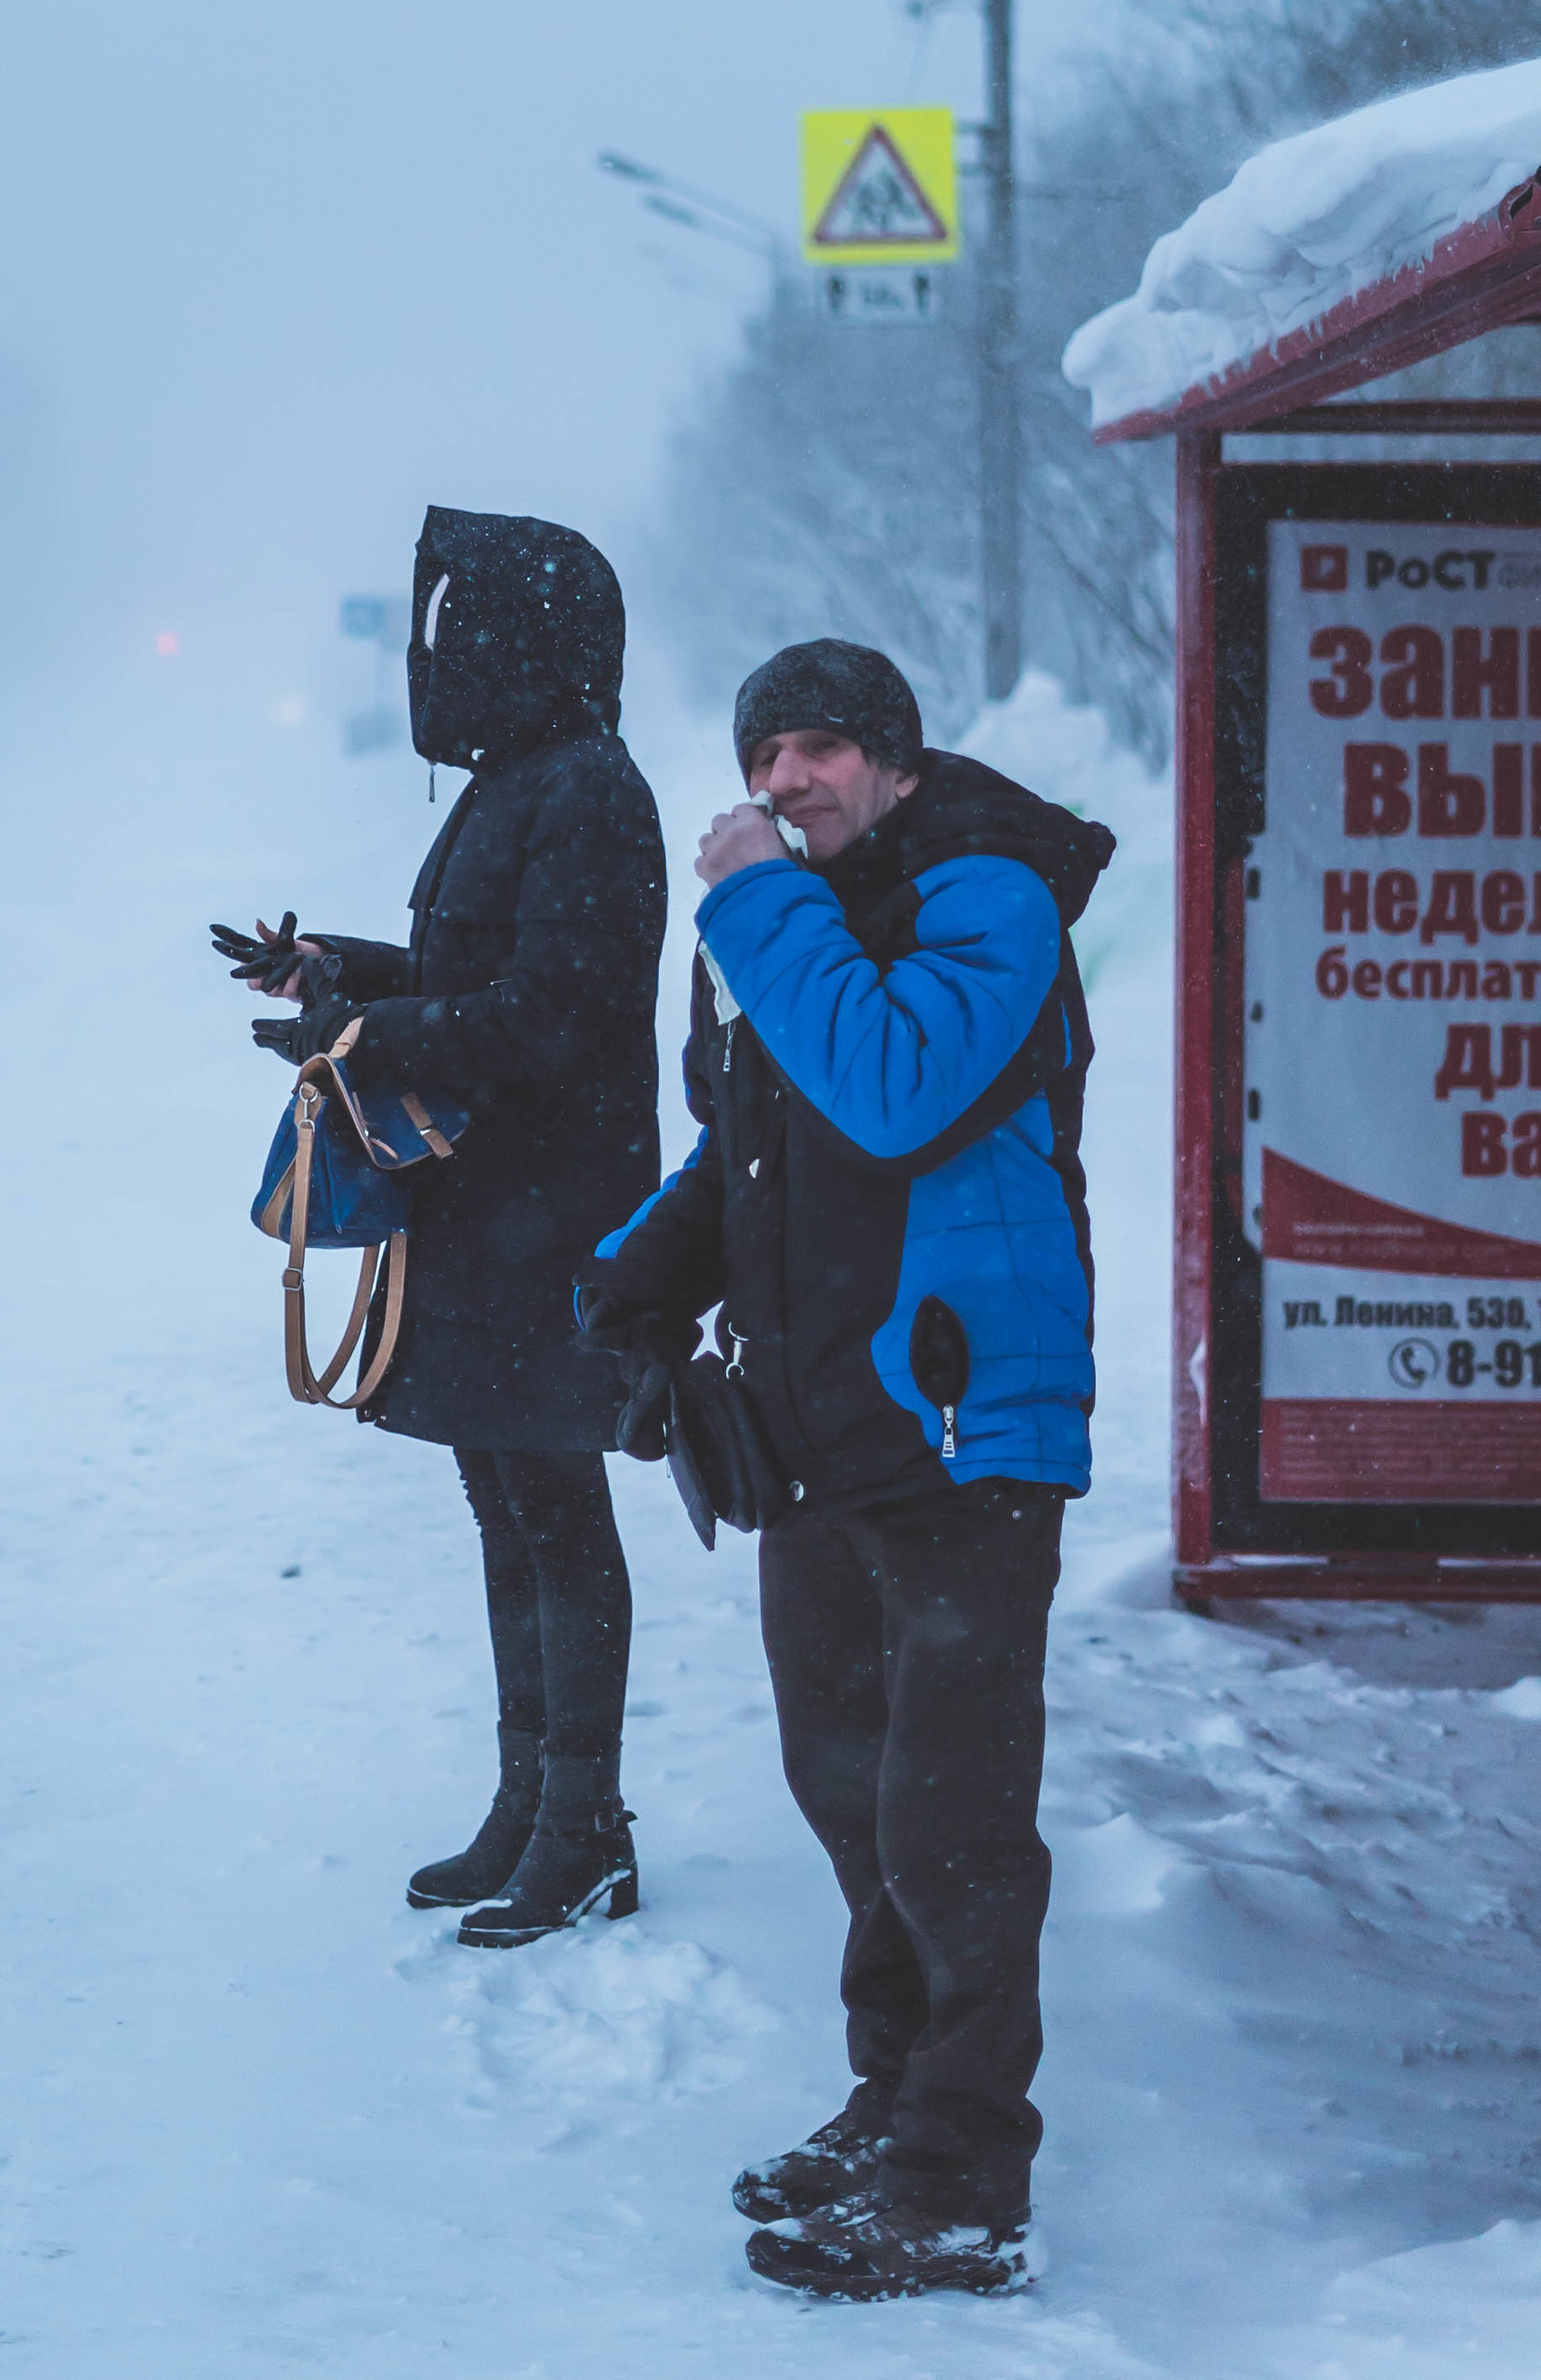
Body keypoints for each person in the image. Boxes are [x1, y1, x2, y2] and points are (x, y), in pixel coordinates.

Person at [576, 639, 1113, 2298]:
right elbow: (762, 1141)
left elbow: (890, 1091)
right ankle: (894, 2100)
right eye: (764, 756)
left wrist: (749, 905)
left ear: (893, 760)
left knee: (953, 1822)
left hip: (959, 1434)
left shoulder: (990, 897)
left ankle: (963, 2183)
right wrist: (644, 1267)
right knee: (854, 1801)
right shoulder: (791, 933)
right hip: (818, 1441)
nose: (786, 781)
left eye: (821, 749)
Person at [213, 506, 666, 1948]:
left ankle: (583, 1826)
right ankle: (530, 1804)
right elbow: (480, 968)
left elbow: (554, 1016)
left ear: (532, 642)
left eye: (467, 631)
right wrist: (336, 967)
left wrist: (365, 1028)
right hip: (485, 1206)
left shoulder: (589, 786)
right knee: (507, 1505)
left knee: (555, 1510)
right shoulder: (525, 778)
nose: (443, 655)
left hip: (552, 1213)